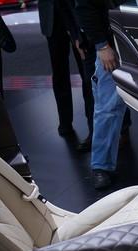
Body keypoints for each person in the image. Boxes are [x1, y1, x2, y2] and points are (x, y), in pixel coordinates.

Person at [75, 0, 129, 190]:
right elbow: (85, 7)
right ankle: (101, 167)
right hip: (113, 44)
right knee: (108, 107)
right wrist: (102, 45)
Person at [38, 0, 94, 148]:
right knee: (59, 72)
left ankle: (93, 127)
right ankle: (64, 122)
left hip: (76, 13)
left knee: (87, 72)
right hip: (52, 15)